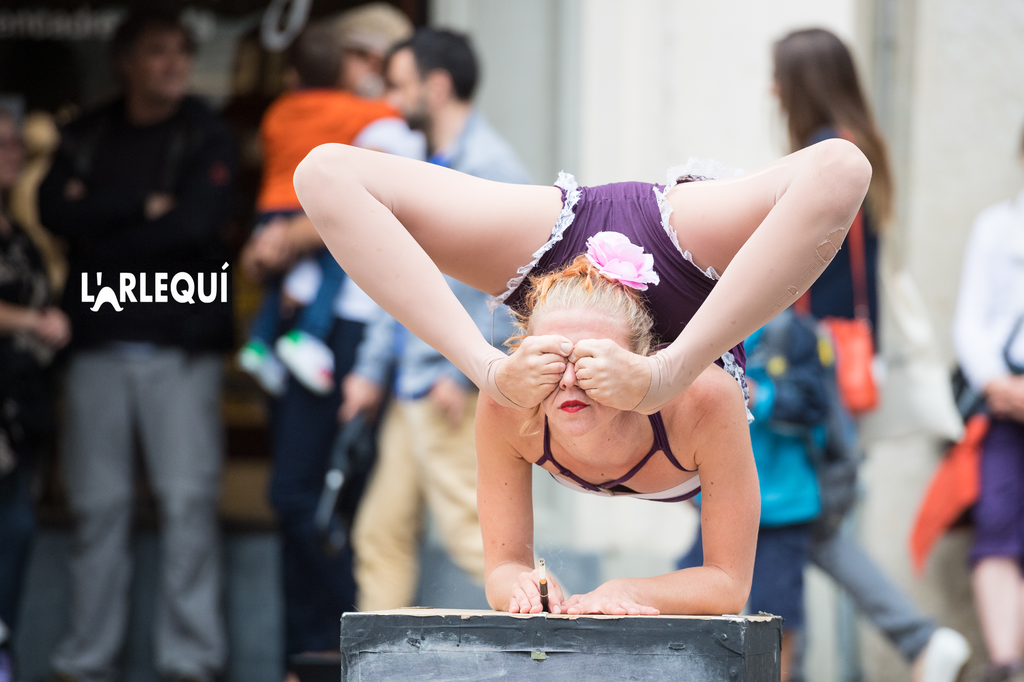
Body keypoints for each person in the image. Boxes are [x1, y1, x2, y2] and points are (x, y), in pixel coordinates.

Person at [37, 10, 235, 682]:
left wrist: (105, 235)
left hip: (181, 347)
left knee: (188, 508)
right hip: (95, 345)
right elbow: (52, 212)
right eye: (159, 52)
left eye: (183, 51)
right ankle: (86, 663)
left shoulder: (207, 133)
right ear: (125, 61)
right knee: (97, 511)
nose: (175, 63)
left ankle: (191, 663)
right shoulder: (88, 133)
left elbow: (198, 223)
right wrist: (140, 207)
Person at [772, 28, 970, 682]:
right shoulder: (864, 146)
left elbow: (806, 267)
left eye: (778, 77)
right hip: (847, 360)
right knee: (808, 519)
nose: (769, 90)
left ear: (799, 82)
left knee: (798, 515)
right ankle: (916, 643)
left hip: (811, 367)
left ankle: (914, 640)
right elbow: (870, 265)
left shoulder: (825, 152)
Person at [340, 28, 525, 610]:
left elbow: (517, 282)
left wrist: (469, 372)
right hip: (412, 386)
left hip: (450, 389)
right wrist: (372, 370)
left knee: (485, 545)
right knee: (380, 535)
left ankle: (569, 654)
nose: (392, 102)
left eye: (399, 85)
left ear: (437, 86)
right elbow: (391, 278)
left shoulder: (491, 165)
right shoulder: (427, 163)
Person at [475, 253, 758, 615]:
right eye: (551, 360)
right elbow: (501, 568)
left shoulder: (705, 400)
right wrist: (520, 586)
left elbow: (730, 583)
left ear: (639, 361)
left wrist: (630, 591)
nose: (568, 380)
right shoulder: (506, 403)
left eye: (592, 362)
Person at [237, 18, 416, 396]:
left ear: (290, 77)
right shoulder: (354, 111)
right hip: (310, 203)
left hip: (271, 205)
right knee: (335, 267)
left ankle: (258, 342)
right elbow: (388, 115)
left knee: (277, 281)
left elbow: (265, 146)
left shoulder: (277, 112)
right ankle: (309, 337)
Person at [677, 309, 829, 680]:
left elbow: (816, 403)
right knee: (690, 599)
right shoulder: (699, 323)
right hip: (718, 499)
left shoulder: (793, 331)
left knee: (777, 611)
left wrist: (758, 396)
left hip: (782, 501)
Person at [0, 106, 70, 682]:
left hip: (19, 406)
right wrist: (31, 320)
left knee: (16, 533)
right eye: (0, 143)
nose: (13, 152)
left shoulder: (16, 225)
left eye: (15, 142)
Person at [953, 122, 1024, 682]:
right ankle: (1005, 665)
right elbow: (971, 321)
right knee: (997, 525)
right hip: (1005, 404)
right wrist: (998, 383)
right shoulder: (998, 227)